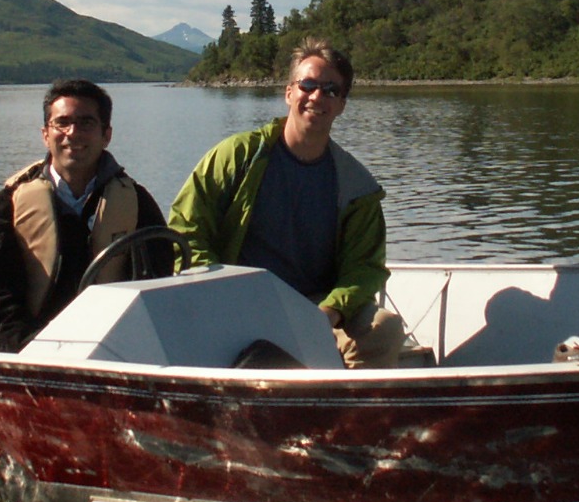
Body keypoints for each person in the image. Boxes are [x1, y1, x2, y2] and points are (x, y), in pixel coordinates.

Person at [169, 38, 411, 368]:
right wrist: (218, 288)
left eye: (331, 90)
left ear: (341, 104)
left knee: (384, 328)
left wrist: (329, 312)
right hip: (234, 298)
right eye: (308, 85)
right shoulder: (236, 156)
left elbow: (365, 269)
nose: (317, 96)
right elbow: (186, 230)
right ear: (288, 93)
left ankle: (347, 413)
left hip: (317, 306)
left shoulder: (357, 187)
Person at [0, 79, 171, 352]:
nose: (73, 133)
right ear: (45, 134)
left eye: (86, 123)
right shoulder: (8, 205)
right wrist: (36, 349)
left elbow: (158, 284)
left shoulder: (136, 202)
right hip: (27, 350)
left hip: (112, 347)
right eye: (62, 123)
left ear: (106, 134)